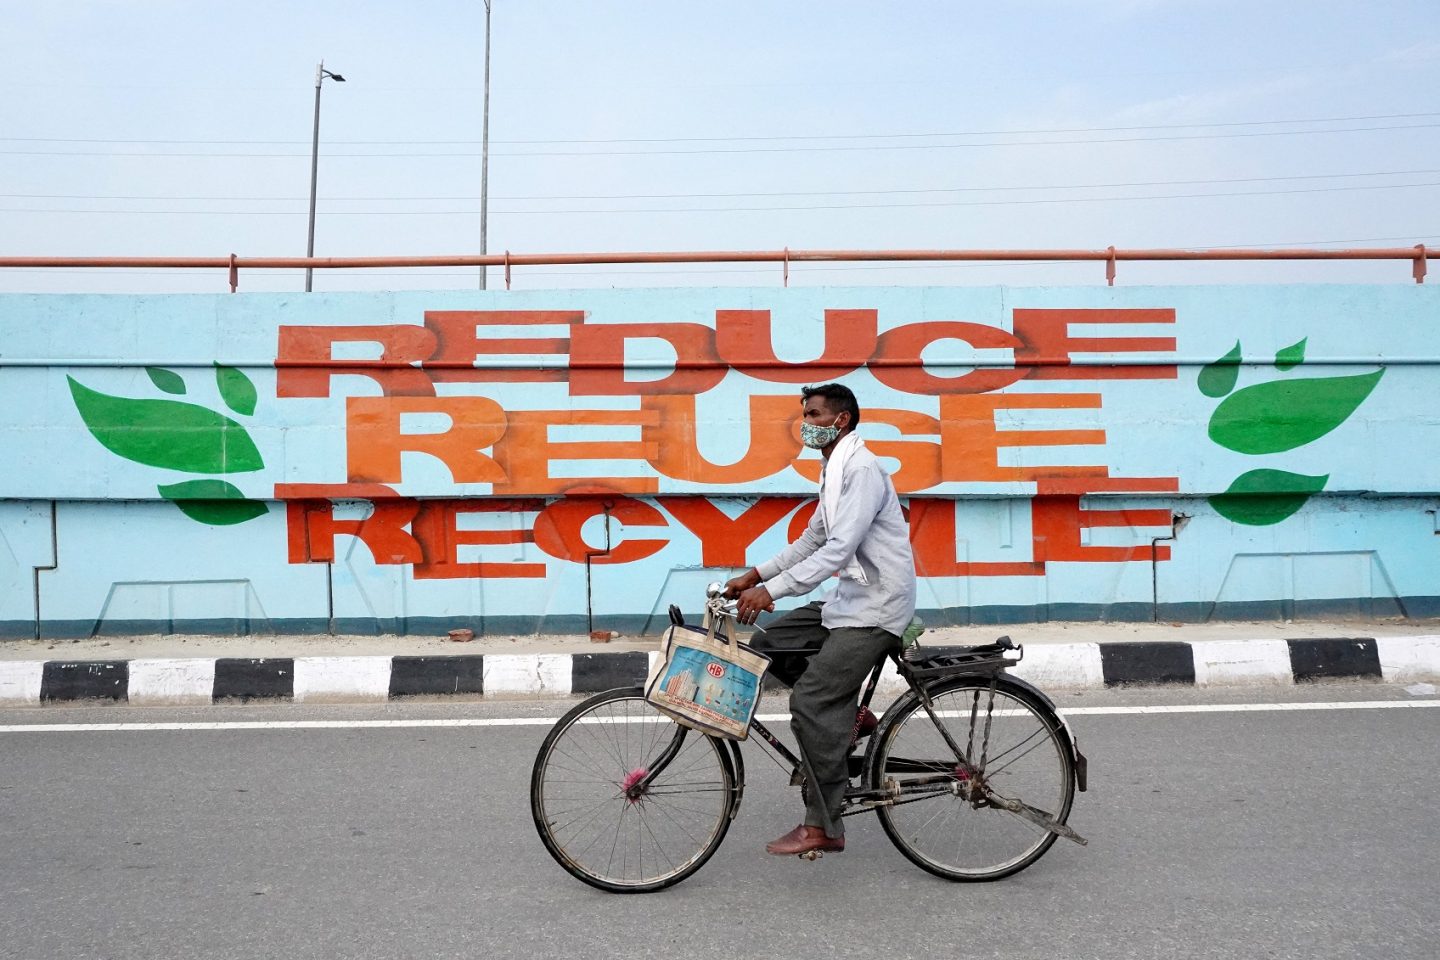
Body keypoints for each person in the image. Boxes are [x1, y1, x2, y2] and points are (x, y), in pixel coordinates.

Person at [724, 382, 917, 857]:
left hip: (877, 608)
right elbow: (812, 539)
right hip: (848, 601)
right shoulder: (833, 469)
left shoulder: (863, 469)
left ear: (841, 420)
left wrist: (773, 590)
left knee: (810, 703)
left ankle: (824, 825)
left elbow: (838, 549)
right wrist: (755, 573)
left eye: (813, 415)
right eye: (805, 415)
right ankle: (849, 721)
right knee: (768, 645)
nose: (805, 424)